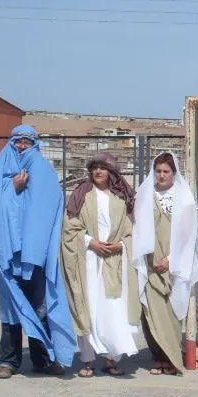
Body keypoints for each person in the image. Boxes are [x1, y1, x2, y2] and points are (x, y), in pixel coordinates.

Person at [0, 125, 76, 378]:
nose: (22, 146)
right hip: (7, 255)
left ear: (35, 144)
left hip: (35, 255)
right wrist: (13, 188)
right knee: (10, 307)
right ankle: (9, 360)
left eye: (27, 142)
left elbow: (52, 206)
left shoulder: (43, 171)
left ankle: (42, 360)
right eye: (18, 141)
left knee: (39, 306)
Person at [62, 152, 140, 377]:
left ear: (111, 172)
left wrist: (122, 246)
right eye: (95, 167)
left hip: (116, 262)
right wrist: (91, 242)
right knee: (90, 309)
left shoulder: (122, 196)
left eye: (103, 168)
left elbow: (133, 231)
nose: (98, 172)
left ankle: (111, 358)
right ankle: (87, 360)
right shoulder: (82, 194)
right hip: (89, 260)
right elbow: (70, 229)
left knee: (114, 310)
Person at [132, 152, 198, 375]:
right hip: (151, 263)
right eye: (158, 171)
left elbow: (188, 235)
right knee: (152, 312)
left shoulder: (184, 198)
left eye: (166, 171)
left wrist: (171, 260)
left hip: (175, 263)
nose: (161, 176)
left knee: (172, 312)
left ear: (174, 173)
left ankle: (173, 358)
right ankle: (160, 357)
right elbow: (138, 229)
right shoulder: (145, 196)